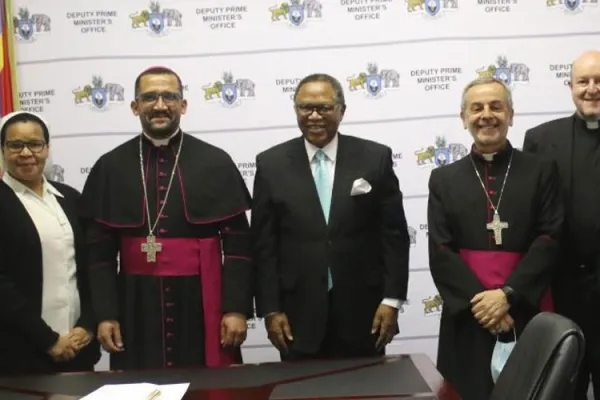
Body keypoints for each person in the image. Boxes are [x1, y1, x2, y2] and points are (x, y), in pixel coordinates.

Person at [78, 66, 253, 370]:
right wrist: (106, 313)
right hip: (135, 303)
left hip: (199, 302)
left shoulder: (215, 161)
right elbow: (99, 256)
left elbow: (239, 249)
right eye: (149, 98)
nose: (160, 105)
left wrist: (235, 309)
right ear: (135, 107)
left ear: (183, 105)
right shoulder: (110, 166)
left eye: (170, 97)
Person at [251, 73, 410, 360]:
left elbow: (394, 236)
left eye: (324, 108)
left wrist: (392, 300)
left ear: (341, 111)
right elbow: (264, 245)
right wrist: (270, 309)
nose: (314, 116)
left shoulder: (375, 158)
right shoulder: (270, 164)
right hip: (296, 315)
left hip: (365, 312)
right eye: (305, 108)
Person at [427, 76, 563, 400]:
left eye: (496, 107)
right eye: (477, 108)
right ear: (464, 119)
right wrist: (484, 304)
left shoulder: (541, 170)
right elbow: (441, 249)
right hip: (469, 315)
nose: (486, 114)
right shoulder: (443, 179)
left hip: (527, 311)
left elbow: (550, 237)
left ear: (511, 115)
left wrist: (508, 296)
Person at [522, 49, 600, 400]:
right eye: (583, 81)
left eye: (599, 81)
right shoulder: (541, 140)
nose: (592, 89)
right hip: (563, 292)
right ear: (570, 86)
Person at [0, 111, 100, 375]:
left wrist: (87, 324)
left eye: (35, 144)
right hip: (21, 352)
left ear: (46, 148)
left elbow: (92, 268)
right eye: (15, 145)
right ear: (2, 150)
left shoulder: (70, 199)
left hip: (78, 347)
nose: (26, 153)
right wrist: (49, 340)